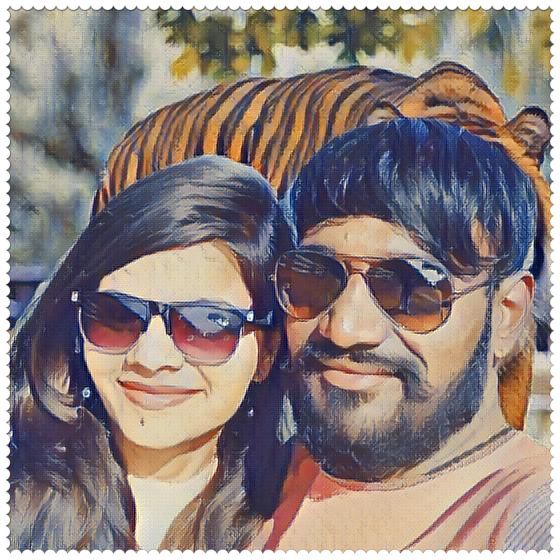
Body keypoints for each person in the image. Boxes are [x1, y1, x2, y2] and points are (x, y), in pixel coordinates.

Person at [262, 118, 551, 551]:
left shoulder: (533, 522)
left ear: (506, 315)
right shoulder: (244, 490)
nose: (344, 329)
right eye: (314, 278)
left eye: (412, 289)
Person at [9, 156, 293, 551]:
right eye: (116, 315)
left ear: (267, 352)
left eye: (206, 323)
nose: (150, 357)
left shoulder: (299, 521)